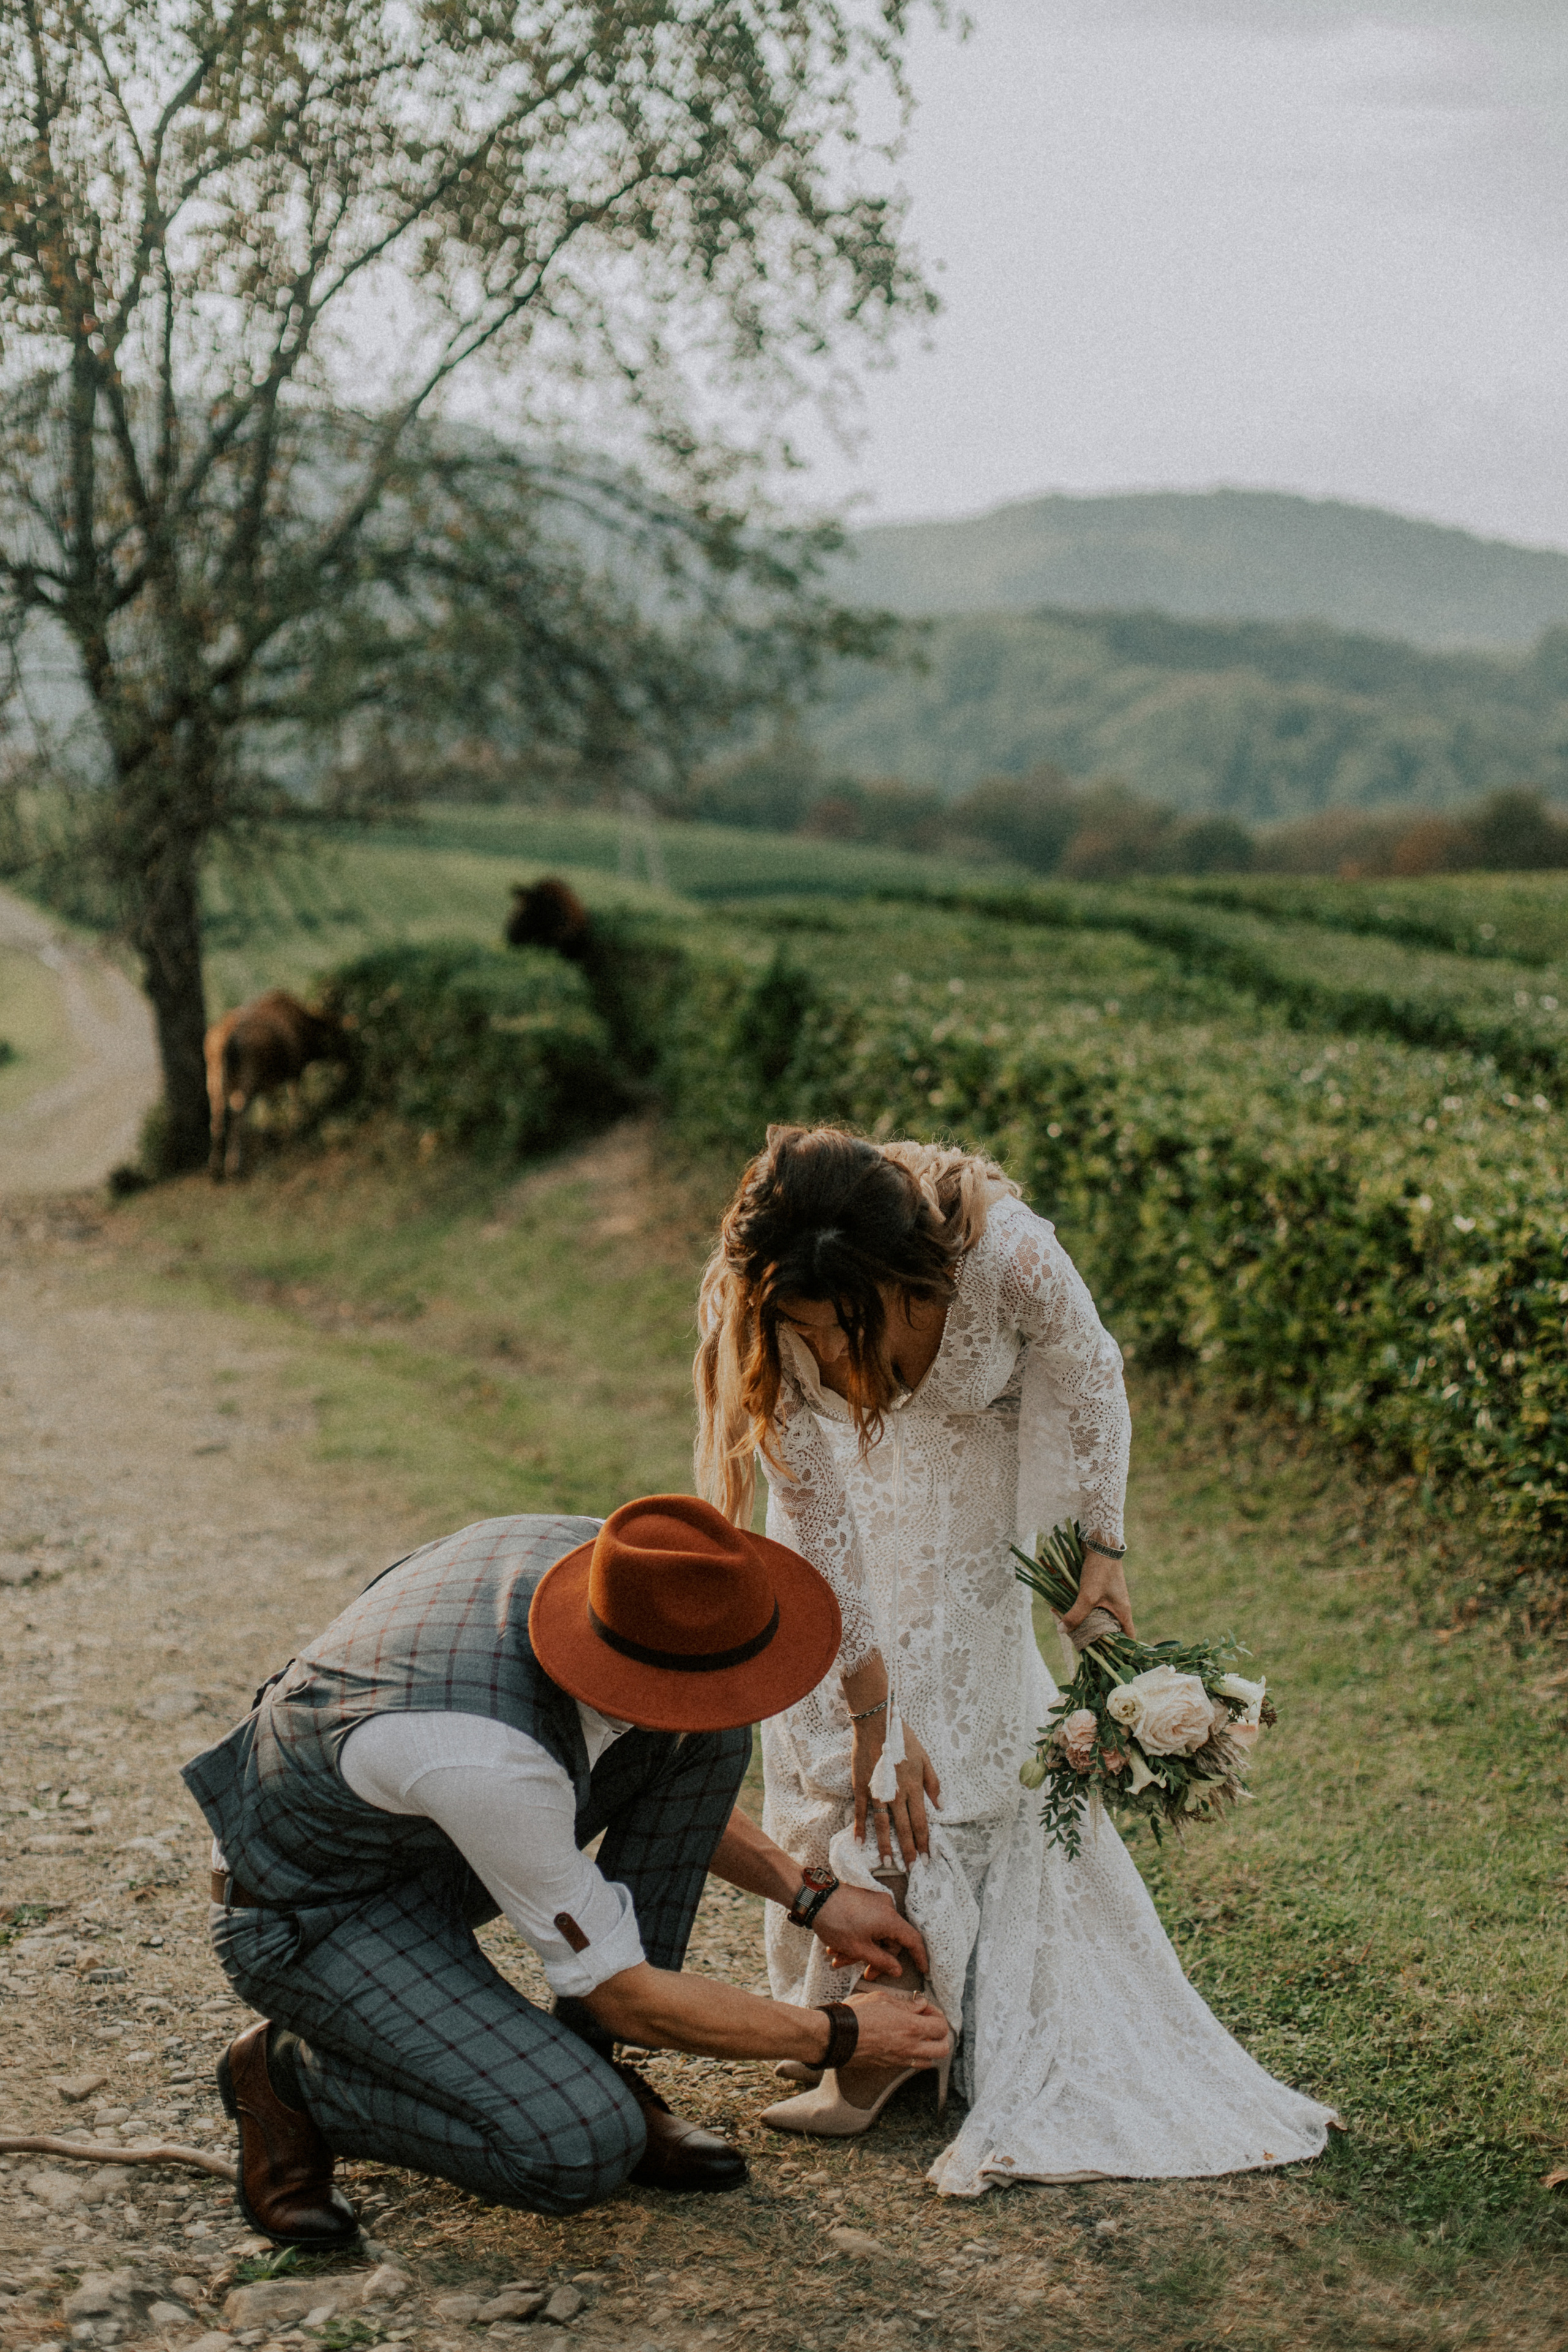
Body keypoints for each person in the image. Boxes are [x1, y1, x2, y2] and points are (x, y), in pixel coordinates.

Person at [694, 1126, 1333, 2192]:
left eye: (856, 1334)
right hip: (848, 1520)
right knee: (844, 1738)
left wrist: (1099, 1547)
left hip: (973, 1504)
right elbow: (812, 1508)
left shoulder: (1013, 1259)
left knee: (961, 1722)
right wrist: (869, 1712)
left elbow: (1089, 1373)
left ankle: (944, 2021)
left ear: (911, 1280)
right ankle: (867, 2026)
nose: (843, 1370)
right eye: (815, 1341)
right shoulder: (773, 1306)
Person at [182, 1495, 951, 2245]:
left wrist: (811, 1895)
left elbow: (670, 1743)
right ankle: (291, 2080)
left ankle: (584, 2065)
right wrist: (839, 2033)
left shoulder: (618, 1571)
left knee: (710, 1737)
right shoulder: (488, 1760)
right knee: (574, 2149)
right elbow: (626, 1996)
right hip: (311, 1909)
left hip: (433, 1836)